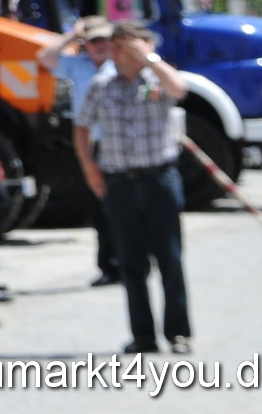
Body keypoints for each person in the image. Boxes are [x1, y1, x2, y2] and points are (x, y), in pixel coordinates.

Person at [74, 20, 192, 355]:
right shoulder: (102, 83)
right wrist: (90, 170)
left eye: (131, 45)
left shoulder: (157, 76)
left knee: (170, 257)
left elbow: (179, 89)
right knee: (131, 262)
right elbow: (81, 127)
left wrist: (149, 59)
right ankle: (143, 336)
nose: (124, 53)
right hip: (120, 181)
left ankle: (178, 333)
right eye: (119, 46)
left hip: (159, 178)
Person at [38, 16, 121, 285]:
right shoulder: (77, 66)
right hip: (91, 145)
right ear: (86, 44)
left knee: (124, 206)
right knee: (98, 208)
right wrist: (71, 34)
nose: (101, 46)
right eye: (95, 40)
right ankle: (108, 266)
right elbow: (45, 57)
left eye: (105, 40)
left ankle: (130, 262)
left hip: (119, 144)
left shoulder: (120, 64)